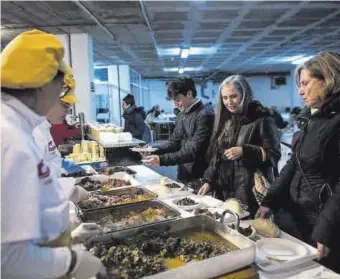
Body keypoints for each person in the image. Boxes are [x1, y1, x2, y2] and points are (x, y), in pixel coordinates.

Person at [1, 29, 104, 279]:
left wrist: (68, 237)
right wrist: (70, 261)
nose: (58, 96)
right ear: (43, 84)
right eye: (59, 89)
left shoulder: (17, 127)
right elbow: (8, 261)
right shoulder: (11, 139)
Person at [256, 52, 340, 273]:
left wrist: (325, 231)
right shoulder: (312, 118)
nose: (300, 91)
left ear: (327, 79)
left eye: (305, 83)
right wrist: (270, 201)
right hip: (301, 217)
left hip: (326, 222)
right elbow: (295, 163)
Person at [198, 75, 281, 217]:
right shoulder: (225, 121)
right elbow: (217, 157)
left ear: (245, 94)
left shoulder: (262, 119)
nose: (229, 102)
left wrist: (245, 151)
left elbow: (273, 154)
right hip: (225, 190)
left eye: (233, 96)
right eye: (225, 98)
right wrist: (209, 181)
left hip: (249, 192)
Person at [33, 65, 91, 203]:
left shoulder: (42, 125)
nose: (68, 111)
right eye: (65, 105)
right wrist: (69, 190)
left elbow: (48, 160)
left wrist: (62, 164)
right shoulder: (30, 130)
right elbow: (31, 183)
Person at [144, 76, 214, 183]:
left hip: (201, 177)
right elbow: (174, 142)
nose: (175, 104)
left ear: (189, 94)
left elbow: (192, 151)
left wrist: (162, 160)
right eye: (173, 100)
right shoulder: (182, 114)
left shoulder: (205, 115)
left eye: (177, 100)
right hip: (183, 173)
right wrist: (153, 150)